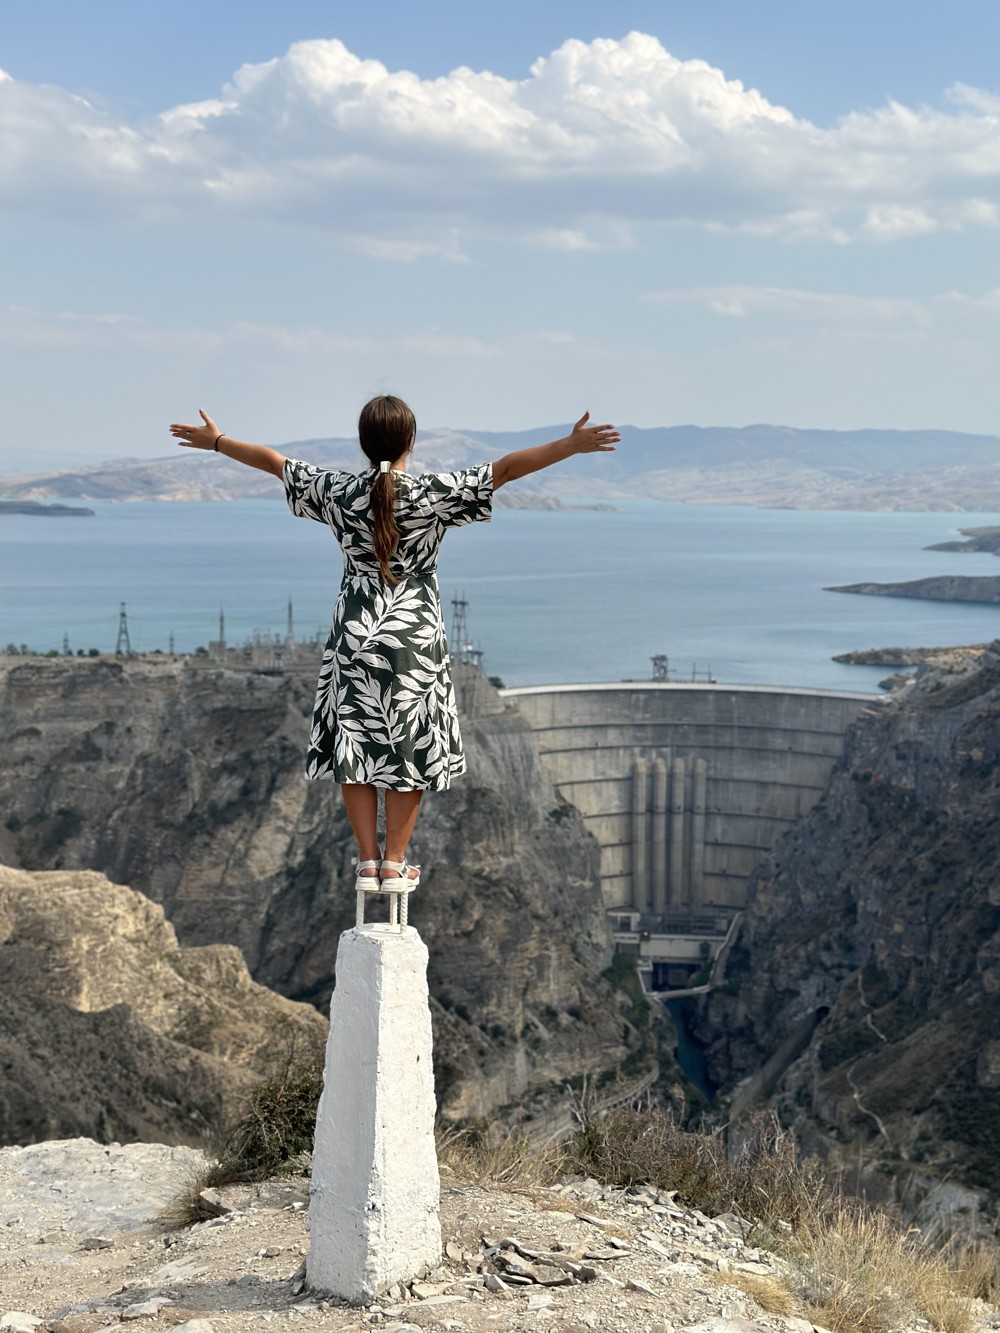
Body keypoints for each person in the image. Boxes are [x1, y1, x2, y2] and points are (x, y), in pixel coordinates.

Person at [169, 398, 619, 897]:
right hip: (412, 639)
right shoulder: (431, 494)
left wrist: (216, 441)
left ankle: (367, 861)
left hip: (354, 635)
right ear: (410, 442)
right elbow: (509, 469)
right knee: (408, 748)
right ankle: (395, 862)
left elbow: (274, 462)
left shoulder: (337, 491)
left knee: (356, 749)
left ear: (363, 443)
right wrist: (572, 446)